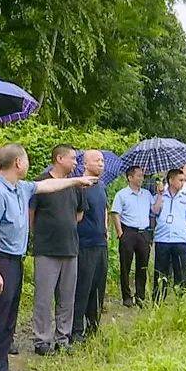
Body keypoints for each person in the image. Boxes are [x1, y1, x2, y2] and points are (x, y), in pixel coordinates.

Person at [0, 144, 96, 371]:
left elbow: (48, 186)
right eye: (25, 159)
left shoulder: (21, 188)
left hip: (14, 261)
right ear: (17, 163)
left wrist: (77, 180)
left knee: (7, 323)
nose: (28, 164)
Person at [29, 144, 86, 355]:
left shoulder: (76, 185)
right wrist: (41, 234)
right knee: (43, 297)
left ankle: (63, 337)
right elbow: (31, 213)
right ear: (59, 158)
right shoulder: (40, 181)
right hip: (46, 248)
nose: (75, 163)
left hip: (70, 248)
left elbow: (79, 214)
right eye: (72, 158)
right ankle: (41, 340)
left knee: (67, 296)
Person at [71, 149, 108, 344]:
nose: (101, 163)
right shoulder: (80, 186)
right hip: (84, 244)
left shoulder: (101, 186)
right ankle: (76, 329)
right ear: (85, 163)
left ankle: (94, 327)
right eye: (97, 160)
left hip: (101, 243)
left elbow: (103, 211)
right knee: (82, 287)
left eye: (102, 160)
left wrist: (106, 230)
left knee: (98, 287)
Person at [109, 165, 153, 307]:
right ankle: (126, 296)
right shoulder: (122, 194)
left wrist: (159, 193)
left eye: (142, 175)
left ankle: (140, 296)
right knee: (125, 265)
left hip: (143, 233)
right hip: (128, 232)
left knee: (143, 265)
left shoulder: (147, 194)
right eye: (139, 175)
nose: (141, 178)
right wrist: (120, 233)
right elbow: (115, 213)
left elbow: (155, 209)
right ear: (130, 177)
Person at [151, 168, 186, 301]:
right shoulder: (160, 196)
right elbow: (154, 212)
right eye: (180, 180)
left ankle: (181, 299)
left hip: (179, 240)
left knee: (180, 271)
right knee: (160, 272)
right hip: (162, 239)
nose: (182, 183)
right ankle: (158, 299)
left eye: (184, 181)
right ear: (171, 180)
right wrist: (159, 195)